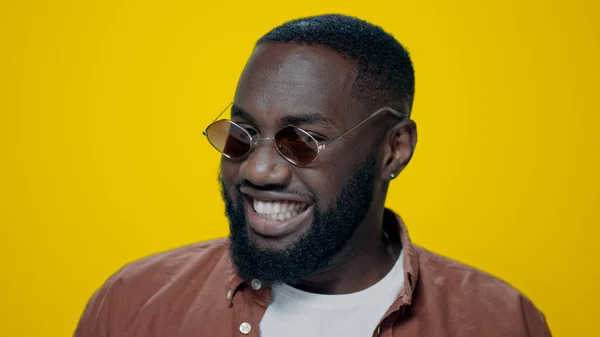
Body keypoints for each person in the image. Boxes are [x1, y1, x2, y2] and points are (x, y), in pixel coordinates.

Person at [75, 14, 551, 337]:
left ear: (394, 149)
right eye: (241, 133)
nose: (257, 169)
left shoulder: (500, 320)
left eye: (301, 140)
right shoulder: (132, 305)